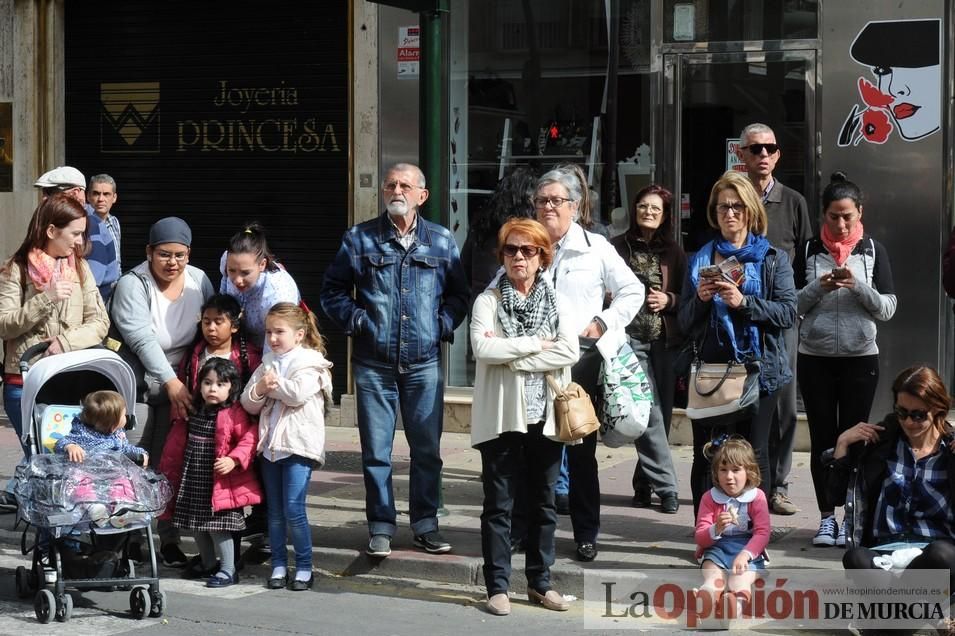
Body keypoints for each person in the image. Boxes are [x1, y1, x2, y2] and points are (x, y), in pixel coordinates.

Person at [320, 163, 469, 558]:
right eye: (390, 185)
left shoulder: (441, 240)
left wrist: (441, 325)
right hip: (373, 364)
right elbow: (332, 291)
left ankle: (426, 524)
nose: (397, 190)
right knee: (376, 454)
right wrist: (359, 322)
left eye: (405, 185)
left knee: (426, 451)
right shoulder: (360, 239)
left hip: (424, 364)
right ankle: (381, 527)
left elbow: (459, 295)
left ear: (422, 195)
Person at [532, 164, 643, 562]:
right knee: (536, 453)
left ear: (575, 208)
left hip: (581, 364)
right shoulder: (526, 243)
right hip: (536, 362)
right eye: (542, 200)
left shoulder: (596, 247)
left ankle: (586, 533)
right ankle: (530, 531)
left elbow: (633, 290)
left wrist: (603, 321)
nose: (548, 207)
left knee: (580, 455)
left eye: (556, 201)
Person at [470, 218, 579, 616]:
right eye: (512, 250)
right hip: (501, 417)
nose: (519, 257)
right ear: (502, 256)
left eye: (528, 250)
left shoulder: (558, 301)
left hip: (547, 416)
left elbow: (569, 351)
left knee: (543, 503)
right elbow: (483, 351)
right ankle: (497, 586)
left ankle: (540, 582)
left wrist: (512, 355)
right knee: (499, 503)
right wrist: (534, 345)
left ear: (541, 258)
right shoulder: (488, 301)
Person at [678, 170, 796, 515]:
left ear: (750, 211)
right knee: (708, 453)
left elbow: (788, 313)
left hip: (759, 371)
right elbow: (684, 322)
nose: (729, 214)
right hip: (711, 371)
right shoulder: (699, 259)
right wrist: (700, 299)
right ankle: (709, 531)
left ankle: (751, 532)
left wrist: (743, 302)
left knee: (753, 453)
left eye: (737, 207)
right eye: (721, 208)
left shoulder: (773, 259)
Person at [794, 172, 896, 548]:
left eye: (847, 216)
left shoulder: (873, 251)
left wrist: (858, 286)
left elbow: (887, 308)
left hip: (860, 358)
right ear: (823, 215)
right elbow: (791, 307)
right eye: (833, 216)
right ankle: (826, 518)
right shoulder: (807, 251)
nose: (840, 224)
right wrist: (818, 287)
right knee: (822, 437)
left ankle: (851, 513)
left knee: (854, 437)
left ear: (859, 213)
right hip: (815, 358)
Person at [109, 216, 214, 566]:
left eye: (180, 255)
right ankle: (127, 539)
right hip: (138, 385)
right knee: (131, 462)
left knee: (170, 465)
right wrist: (171, 383)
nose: (173, 263)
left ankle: (168, 539)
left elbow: (210, 330)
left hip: (181, 385)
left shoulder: (199, 281)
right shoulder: (132, 283)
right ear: (149, 252)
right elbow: (140, 338)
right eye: (164, 255)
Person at [0, 194, 110, 511]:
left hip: (68, 380)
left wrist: (66, 342)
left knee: (71, 464)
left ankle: (70, 550)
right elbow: (5, 325)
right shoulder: (15, 270)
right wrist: (44, 298)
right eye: (74, 233)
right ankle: (56, 547)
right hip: (25, 383)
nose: (79, 242)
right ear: (51, 231)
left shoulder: (81, 270)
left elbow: (100, 322)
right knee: (45, 465)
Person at [736, 123, 812, 517]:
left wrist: (798, 305)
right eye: (755, 148)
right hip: (735, 316)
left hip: (780, 316)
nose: (763, 154)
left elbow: (806, 260)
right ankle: (737, 483)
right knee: (738, 401)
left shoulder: (793, 201)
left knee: (783, 403)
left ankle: (777, 485)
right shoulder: (730, 199)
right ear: (741, 155)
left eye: (770, 148)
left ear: (778, 155)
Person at [825, 366, 955, 593]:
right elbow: (834, 497)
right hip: (885, 554)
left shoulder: (950, 450)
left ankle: (889, 615)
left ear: (938, 410)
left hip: (934, 555)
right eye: (902, 412)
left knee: (941, 555)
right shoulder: (880, 444)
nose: (908, 422)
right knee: (855, 558)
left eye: (918, 415)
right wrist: (842, 444)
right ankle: (914, 612)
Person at [241, 302, 332, 591]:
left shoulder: (312, 363)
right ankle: (279, 565)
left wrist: (270, 386)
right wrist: (260, 388)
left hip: (298, 446)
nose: (272, 338)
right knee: (275, 513)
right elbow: (247, 402)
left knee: (294, 509)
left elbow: (297, 394)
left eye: (279, 332)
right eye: (269, 332)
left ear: (300, 334)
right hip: (270, 447)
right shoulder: (267, 363)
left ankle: (304, 566)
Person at [611, 184, 683, 514]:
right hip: (630, 340)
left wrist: (670, 300)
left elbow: (689, 297)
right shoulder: (618, 247)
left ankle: (644, 484)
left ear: (665, 214)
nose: (648, 212)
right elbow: (602, 288)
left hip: (664, 340)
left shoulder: (674, 252)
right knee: (648, 409)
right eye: (642, 206)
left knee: (661, 417)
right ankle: (668, 487)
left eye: (655, 208)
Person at [160, 358, 261, 588]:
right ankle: (207, 563)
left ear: (232, 387)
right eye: (207, 382)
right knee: (196, 524)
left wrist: (233, 459)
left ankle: (228, 569)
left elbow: (249, 438)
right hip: (193, 476)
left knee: (219, 527)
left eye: (220, 384)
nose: (212, 388)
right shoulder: (194, 409)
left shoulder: (234, 413)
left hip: (219, 482)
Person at [694, 436, 769, 601]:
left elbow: (763, 532)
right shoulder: (709, 498)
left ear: (749, 472)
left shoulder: (756, 497)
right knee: (713, 576)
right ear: (715, 472)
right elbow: (700, 536)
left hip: (748, 552)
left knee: (739, 581)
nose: (728, 476)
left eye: (735, 470)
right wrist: (716, 528)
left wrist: (745, 554)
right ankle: (707, 597)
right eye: (723, 470)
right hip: (717, 551)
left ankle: (736, 606)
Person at [34, 166, 120, 301]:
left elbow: (91, 285)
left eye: (50, 193)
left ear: (75, 193)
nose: (44, 199)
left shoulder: (91, 226)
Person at [461, 165, 538, 310]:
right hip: (510, 308)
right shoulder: (525, 229)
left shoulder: (482, 224)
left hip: (482, 304)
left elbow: (465, 270)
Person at [220, 223, 301, 348]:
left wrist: (264, 366)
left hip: (279, 347)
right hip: (243, 347)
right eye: (231, 271)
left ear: (262, 264)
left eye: (245, 272)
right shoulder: (227, 259)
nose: (237, 280)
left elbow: (279, 343)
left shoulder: (278, 292)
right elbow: (222, 300)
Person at [179, 294, 262, 395]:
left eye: (218, 322)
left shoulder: (249, 358)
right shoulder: (192, 355)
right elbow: (181, 394)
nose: (211, 328)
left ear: (234, 326)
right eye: (206, 322)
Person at [55, 390, 147, 466]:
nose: (126, 416)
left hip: (113, 473)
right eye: (123, 415)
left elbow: (126, 448)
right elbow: (61, 442)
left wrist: (141, 453)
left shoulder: (117, 434)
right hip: (87, 475)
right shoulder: (84, 435)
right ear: (113, 425)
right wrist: (70, 446)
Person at [87, 174, 122, 272]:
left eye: (106, 194)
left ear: (114, 198)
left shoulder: (114, 222)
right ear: (88, 196)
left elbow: (117, 261)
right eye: (96, 193)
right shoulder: (82, 224)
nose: (101, 199)